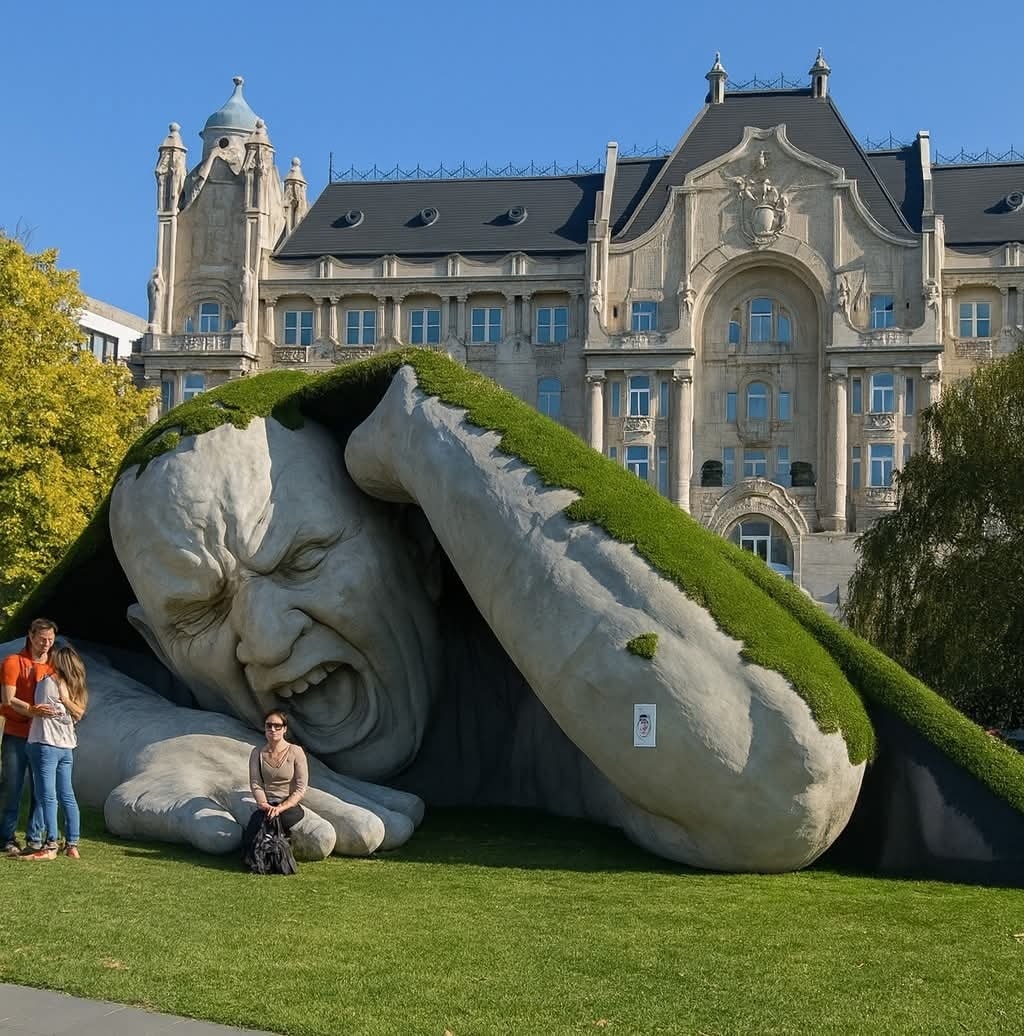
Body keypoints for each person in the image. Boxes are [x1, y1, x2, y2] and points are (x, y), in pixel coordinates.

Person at [23, 644, 88, 860]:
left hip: (45, 744)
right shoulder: (77, 686)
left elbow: (38, 709)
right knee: (67, 795)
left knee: (47, 796)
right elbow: (79, 714)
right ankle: (72, 843)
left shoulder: (48, 683)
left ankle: (50, 843)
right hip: (66, 747)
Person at [1, 619, 58, 856]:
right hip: (16, 733)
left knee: (41, 790)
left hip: (44, 737)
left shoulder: (55, 667)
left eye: (51, 640)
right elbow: (7, 699)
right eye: (42, 639)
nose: (46, 644)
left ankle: (35, 838)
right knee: (11, 787)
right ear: (31, 636)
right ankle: (6, 837)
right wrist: (32, 710)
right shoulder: (13, 662)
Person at [244, 710, 308, 843]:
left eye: (277, 726)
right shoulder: (257, 753)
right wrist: (264, 804)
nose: (272, 729)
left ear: (284, 729)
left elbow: (301, 788)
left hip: (288, 806)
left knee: (276, 823)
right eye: (269, 725)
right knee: (253, 833)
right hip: (266, 805)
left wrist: (280, 808)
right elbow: (256, 783)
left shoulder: (296, 751)